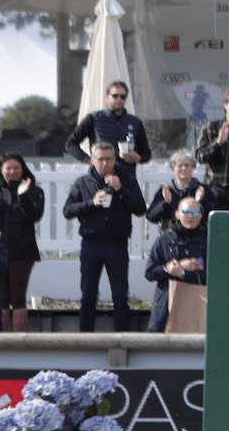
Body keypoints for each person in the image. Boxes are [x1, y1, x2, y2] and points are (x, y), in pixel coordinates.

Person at [64, 142, 147, 332]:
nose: (104, 163)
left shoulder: (126, 180)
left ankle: (122, 339)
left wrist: (121, 189)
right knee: (88, 295)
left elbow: (140, 209)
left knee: (120, 296)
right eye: (100, 159)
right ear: (93, 160)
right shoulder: (83, 182)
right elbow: (68, 211)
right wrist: (91, 203)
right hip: (91, 244)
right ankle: (86, 339)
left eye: (109, 159)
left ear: (115, 159)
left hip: (117, 245)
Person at [0, 155, 42, 332]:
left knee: (18, 297)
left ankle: (19, 338)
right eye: (8, 168)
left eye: (16, 168)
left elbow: (34, 215)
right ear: (1, 170)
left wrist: (22, 196)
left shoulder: (34, 191)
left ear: (23, 169)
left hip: (23, 251)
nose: (12, 171)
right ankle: (1, 338)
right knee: (1, 298)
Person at [143, 199, 207, 333]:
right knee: (157, 337)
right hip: (166, 301)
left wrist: (183, 273)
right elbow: (150, 272)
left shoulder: (207, 240)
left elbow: (213, 274)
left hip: (197, 300)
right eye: (186, 212)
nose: (191, 217)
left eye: (195, 213)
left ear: (201, 216)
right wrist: (169, 269)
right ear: (177, 214)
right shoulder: (164, 240)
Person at [69, 80, 148, 182]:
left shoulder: (135, 122)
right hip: (99, 178)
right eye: (115, 96)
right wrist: (89, 160)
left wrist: (139, 158)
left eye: (123, 97)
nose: (119, 99)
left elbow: (146, 153)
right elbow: (71, 144)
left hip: (127, 179)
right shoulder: (93, 119)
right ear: (107, 97)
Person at [146, 150, 209, 234]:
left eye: (187, 165)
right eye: (180, 165)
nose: (183, 168)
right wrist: (166, 203)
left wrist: (198, 202)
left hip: (197, 236)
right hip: (171, 236)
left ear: (192, 168)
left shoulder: (202, 190)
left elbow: (210, 217)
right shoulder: (166, 190)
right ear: (173, 168)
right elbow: (151, 217)